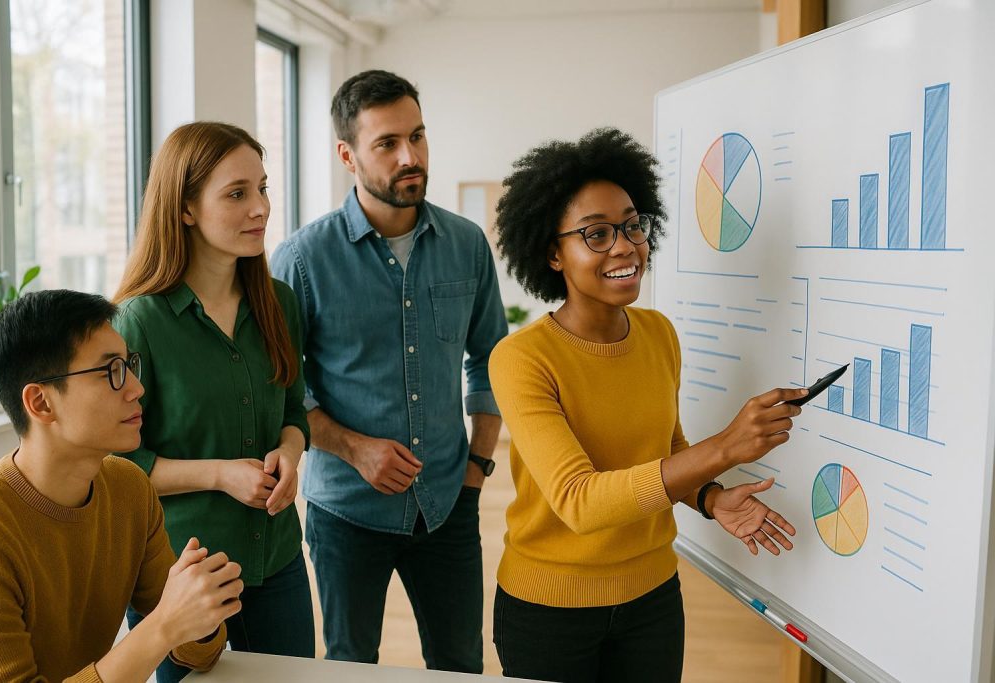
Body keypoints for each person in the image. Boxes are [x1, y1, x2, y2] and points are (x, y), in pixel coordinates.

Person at [488, 127, 804, 683]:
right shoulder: (521, 359)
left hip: (654, 599)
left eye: (633, 226)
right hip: (549, 611)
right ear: (552, 254)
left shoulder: (658, 333)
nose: (625, 246)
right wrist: (726, 447)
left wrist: (708, 498)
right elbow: (579, 501)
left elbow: (667, 450)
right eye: (596, 234)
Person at [271, 70, 507, 673]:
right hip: (346, 513)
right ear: (347, 154)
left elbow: (490, 359)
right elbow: (282, 391)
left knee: (460, 664)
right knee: (352, 666)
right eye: (387, 143)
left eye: (418, 136)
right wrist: (353, 449)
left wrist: (478, 468)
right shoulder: (301, 260)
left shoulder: (467, 244)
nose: (411, 157)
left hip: (448, 502)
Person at [113, 121, 314, 681]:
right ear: (185, 209)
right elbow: (117, 466)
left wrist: (290, 455)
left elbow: (294, 412)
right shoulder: (137, 322)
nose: (262, 208)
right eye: (237, 193)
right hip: (184, 577)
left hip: (279, 560)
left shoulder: (279, 301)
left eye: (263, 188)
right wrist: (221, 475)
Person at [0, 289, 240, 682]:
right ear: (41, 403)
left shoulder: (129, 487)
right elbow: (165, 627)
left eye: (130, 365)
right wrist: (165, 624)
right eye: (110, 372)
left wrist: (202, 609)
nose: (136, 388)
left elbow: (198, 653)